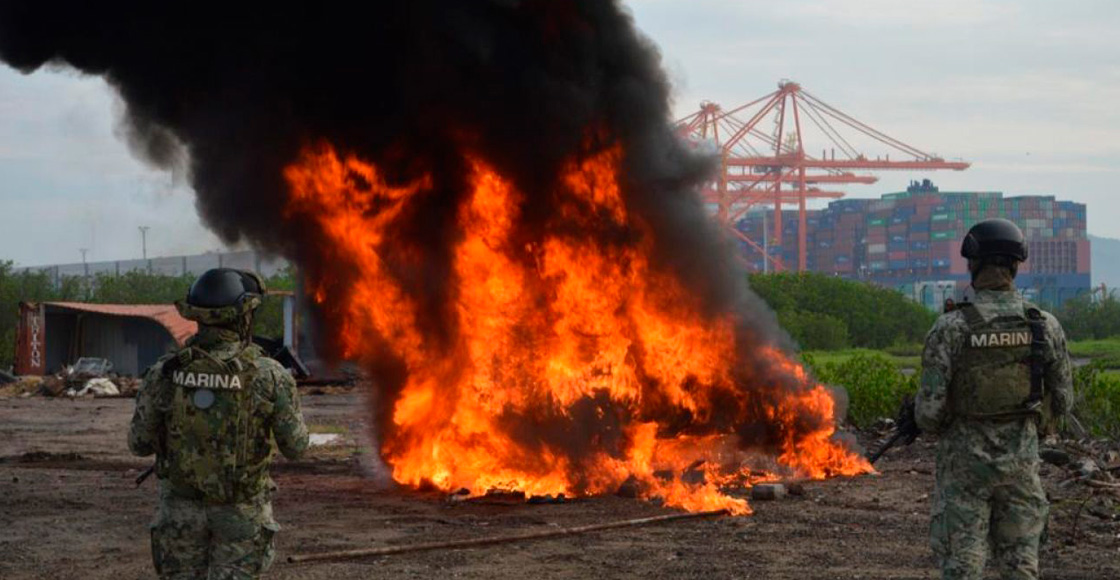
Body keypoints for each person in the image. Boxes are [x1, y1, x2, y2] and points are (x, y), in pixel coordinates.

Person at [913, 218, 1072, 579]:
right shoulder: (1043, 325)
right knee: (1021, 568)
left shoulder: (950, 328)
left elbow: (929, 414)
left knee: (963, 566)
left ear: (973, 263)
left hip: (964, 470)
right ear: (1015, 266)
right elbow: (1063, 400)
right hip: (1021, 466)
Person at [129, 268, 309, 579]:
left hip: (180, 514)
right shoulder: (269, 375)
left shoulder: (165, 372)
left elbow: (138, 444)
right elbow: (296, 447)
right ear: (243, 317)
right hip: (241, 514)